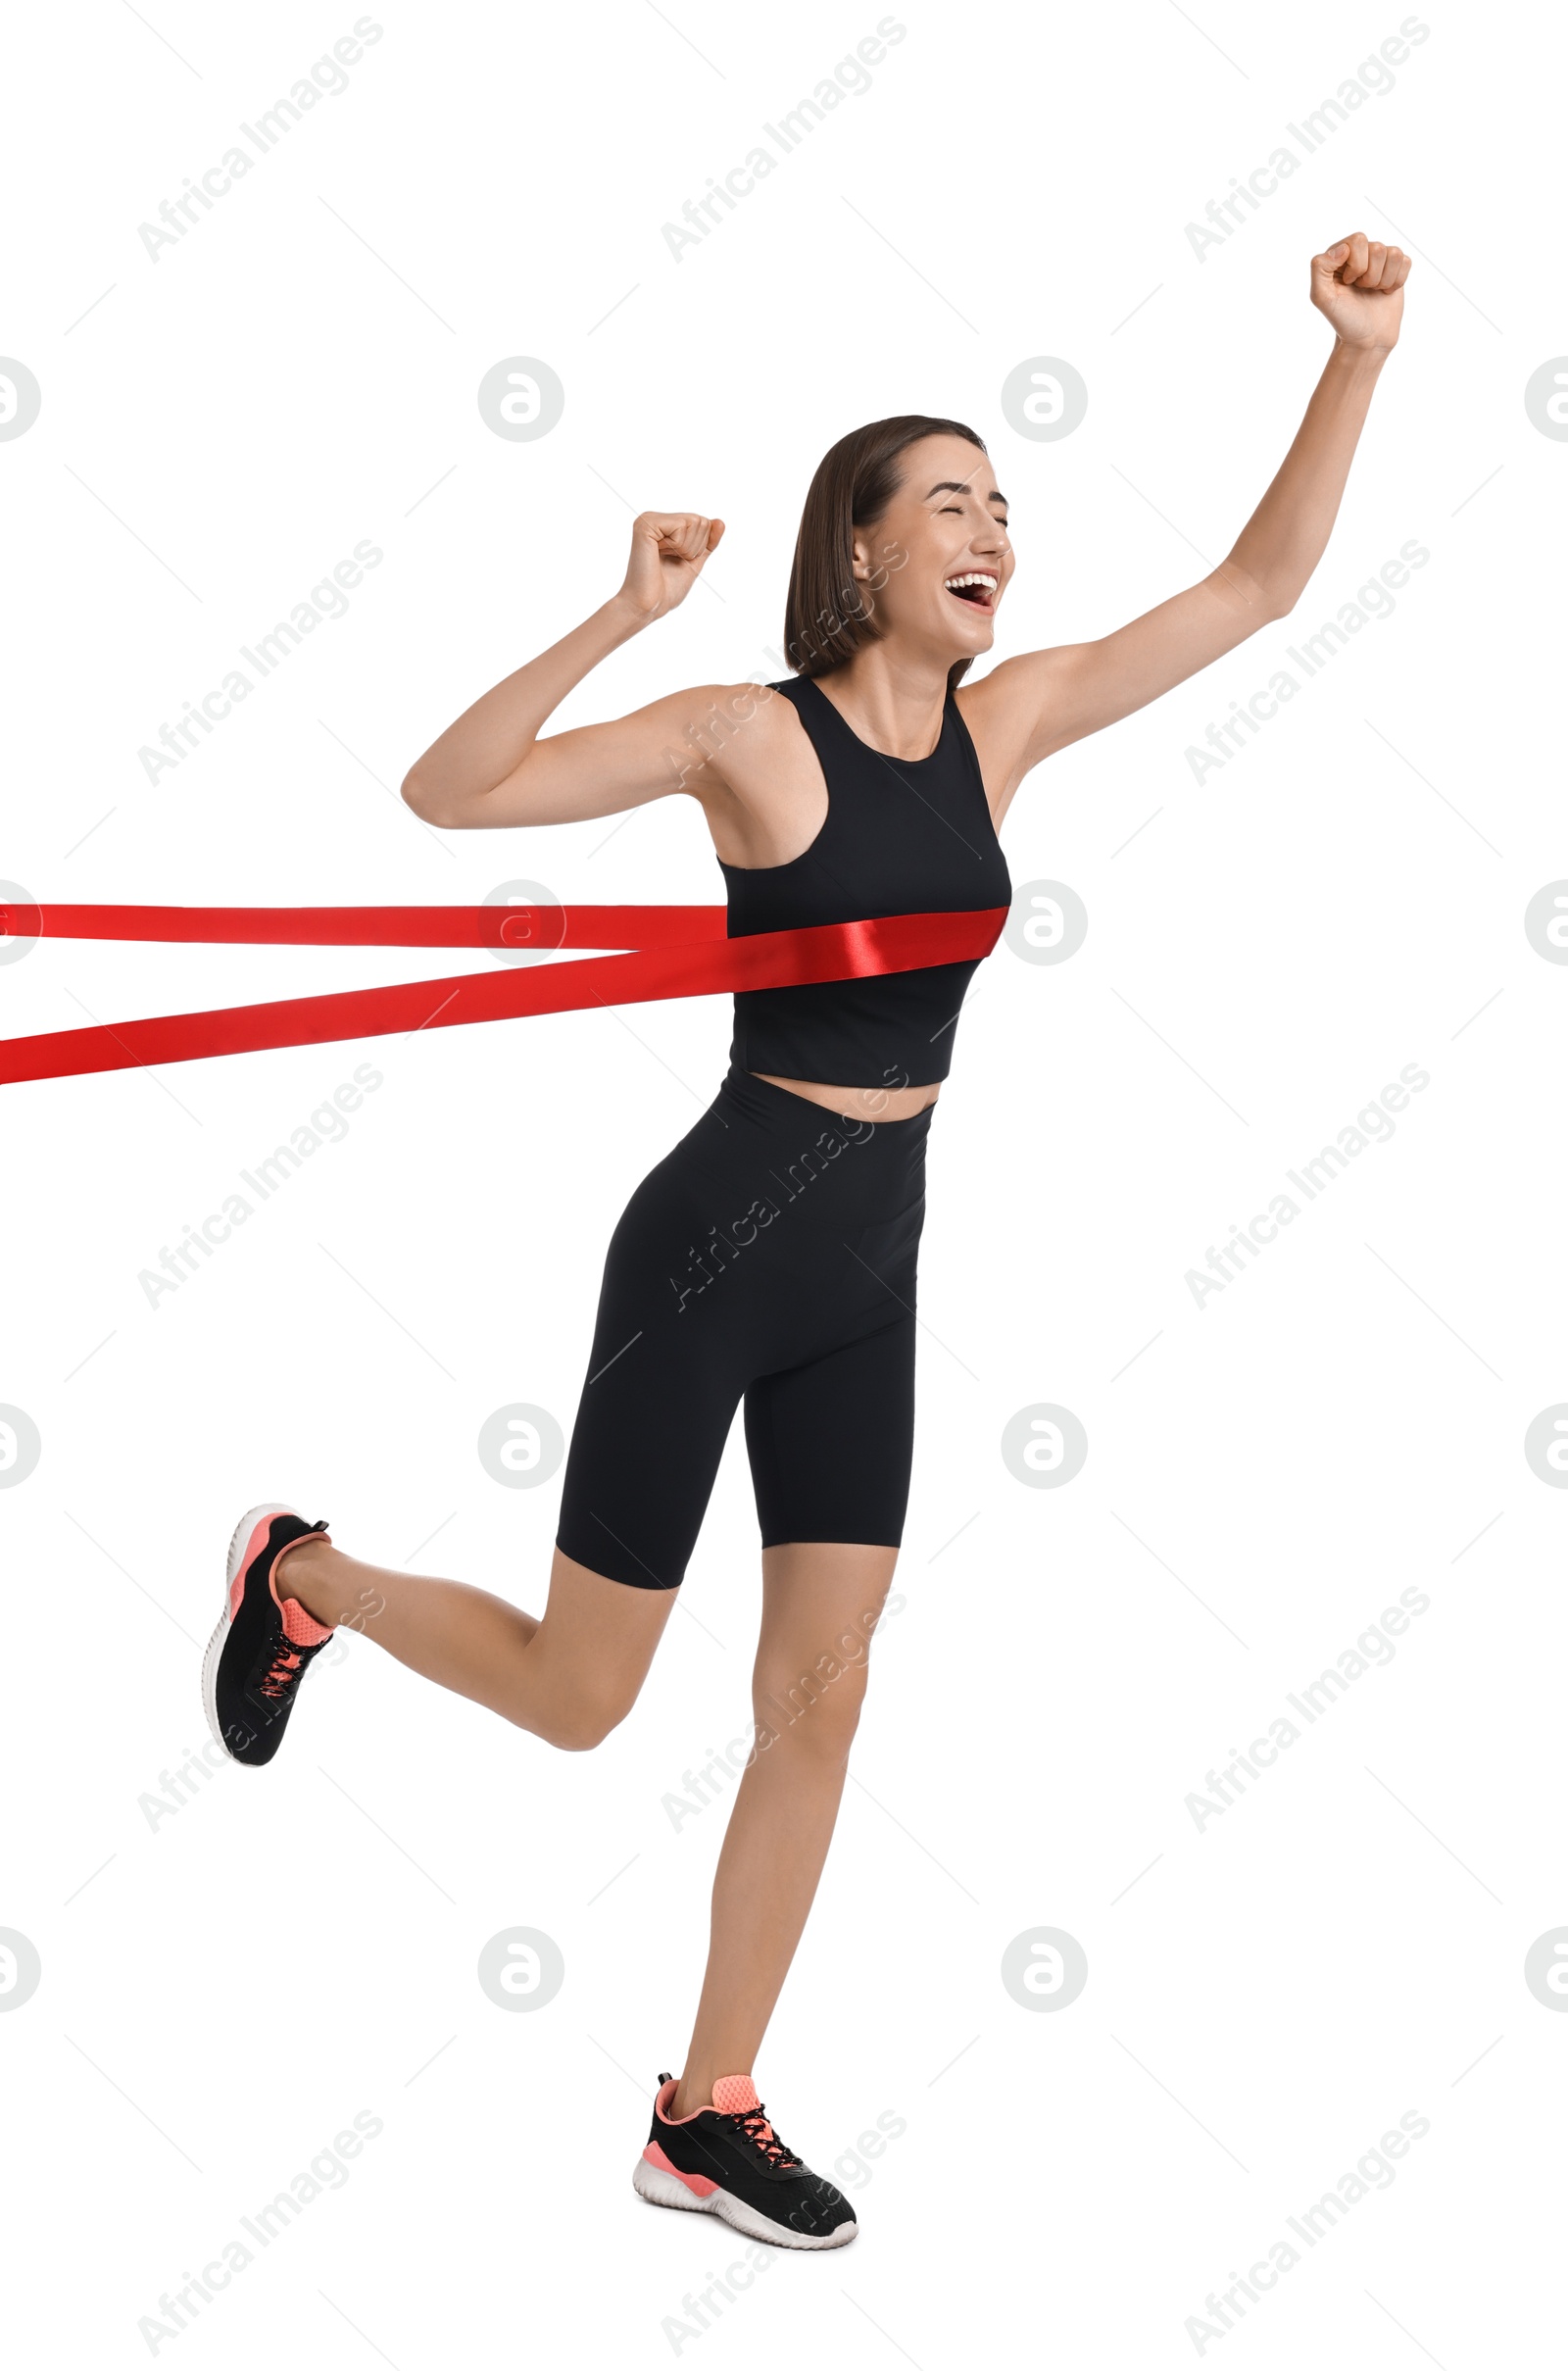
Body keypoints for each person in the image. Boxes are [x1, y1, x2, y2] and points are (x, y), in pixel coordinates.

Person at [203, 231, 1410, 2250]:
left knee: (820, 1699)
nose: (994, 534)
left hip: (875, 1264)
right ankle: (299, 1571)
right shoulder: (747, 737)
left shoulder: (1002, 725)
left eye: (1004, 509)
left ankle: (708, 2106)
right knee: (587, 1700)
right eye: (949, 502)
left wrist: (1354, 362)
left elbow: (1255, 586)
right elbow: (447, 790)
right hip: (714, 1240)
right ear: (853, 553)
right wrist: (618, 608)